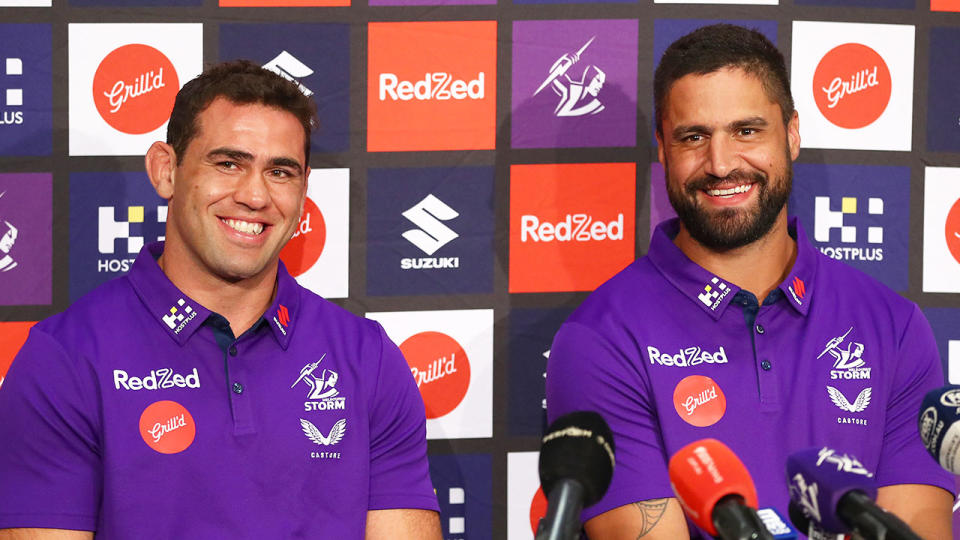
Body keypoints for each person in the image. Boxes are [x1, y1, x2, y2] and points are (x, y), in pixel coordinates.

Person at [0, 61, 441, 539]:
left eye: (280, 171)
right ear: (166, 170)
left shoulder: (366, 356)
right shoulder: (64, 358)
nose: (255, 195)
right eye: (228, 163)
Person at [546, 24, 953, 539]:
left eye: (746, 131)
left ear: (793, 133)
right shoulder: (600, 339)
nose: (720, 164)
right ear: (663, 149)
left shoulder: (892, 326)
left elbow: (916, 529)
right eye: (693, 137)